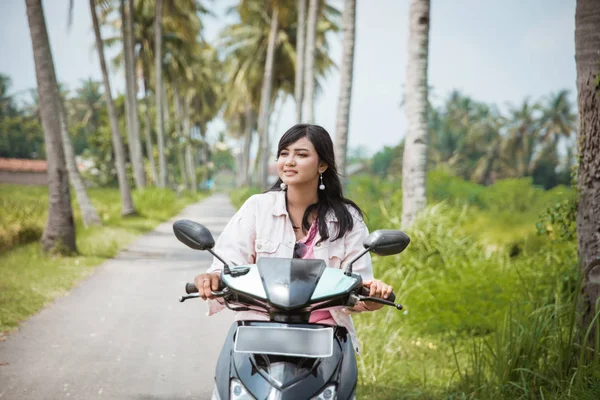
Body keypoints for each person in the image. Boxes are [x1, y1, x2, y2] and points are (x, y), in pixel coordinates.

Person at [194, 123, 393, 353]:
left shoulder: (348, 218)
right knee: (228, 384)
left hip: (324, 338)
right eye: (284, 153)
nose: (289, 161)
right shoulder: (257, 208)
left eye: (301, 154)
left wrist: (374, 294)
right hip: (258, 331)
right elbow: (227, 263)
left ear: (322, 165)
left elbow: (361, 285)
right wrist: (213, 278)